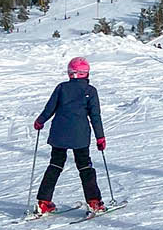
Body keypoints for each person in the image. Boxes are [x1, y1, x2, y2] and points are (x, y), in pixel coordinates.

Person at [32, 57, 107, 215]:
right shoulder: (90, 91)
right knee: (85, 166)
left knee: (55, 165)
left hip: (59, 133)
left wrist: (40, 121)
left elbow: (49, 108)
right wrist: (100, 137)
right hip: (80, 135)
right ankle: (94, 202)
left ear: (69, 73)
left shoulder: (61, 88)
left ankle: (44, 202)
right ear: (86, 74)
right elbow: (95, 116)